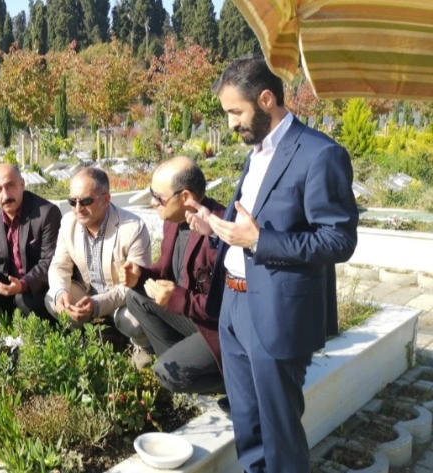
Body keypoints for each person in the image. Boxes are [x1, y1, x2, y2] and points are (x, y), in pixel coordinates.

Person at [186, 57, 358, 472]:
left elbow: (338, 239)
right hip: (235, 308)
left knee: (280, 435)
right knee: (247, 426)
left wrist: (260, 241)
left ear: (266, 100)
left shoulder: (321, 154)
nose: (230, 124)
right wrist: (214, 225)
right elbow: (251, 223)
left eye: (235, 112)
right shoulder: (256, 154)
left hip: (277, 314)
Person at [122, 156, 226, 393]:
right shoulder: (174, 221)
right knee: (136, 297)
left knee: (167, 374)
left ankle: (237, 382)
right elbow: (165, 271)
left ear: (186, 197)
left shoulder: (220, 229)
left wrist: (179, 298)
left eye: (159, 198)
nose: (152, 202)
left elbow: (231, 306)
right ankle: (182, 362)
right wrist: (140, 275)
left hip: (222, 329)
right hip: (193, 317)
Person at [45, 167, 151, 348]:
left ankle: (142, 347)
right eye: (72, 201)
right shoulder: (69, 222)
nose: (78, 208)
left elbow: (134, 285)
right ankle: (93, 337)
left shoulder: (133, 228)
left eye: (86, 201)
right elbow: (59, 265)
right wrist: (61, 292)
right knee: (52, 298)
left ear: (106, 199)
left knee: (133, 320)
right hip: (89, 294)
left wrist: (97, 305)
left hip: (122, 300)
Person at [0, 163, 61, 319]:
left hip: (37, 284)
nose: (6, 195)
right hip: (7, 279)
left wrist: (23, 285)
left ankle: (24, 315)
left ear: (22, 184)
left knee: (25, 301)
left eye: (10, 186)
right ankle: (10, 314)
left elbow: (50, 261)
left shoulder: (46, 213)